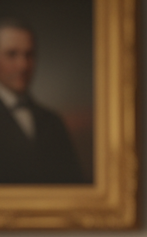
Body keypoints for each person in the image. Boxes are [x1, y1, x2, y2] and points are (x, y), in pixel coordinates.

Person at [0, 16, 86, 184]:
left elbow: (74, 183)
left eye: (29, 55)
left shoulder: (53, 121)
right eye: (12, 54)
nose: (23, 65)